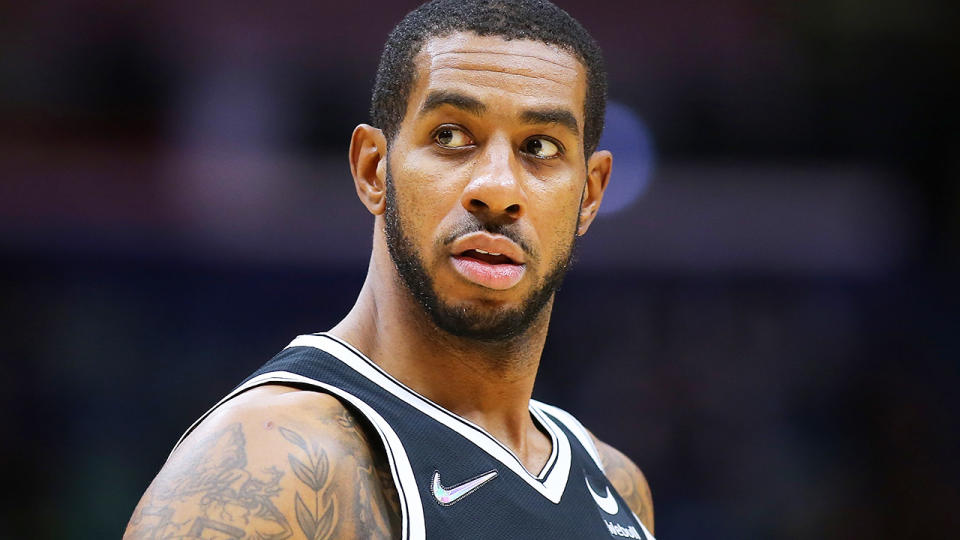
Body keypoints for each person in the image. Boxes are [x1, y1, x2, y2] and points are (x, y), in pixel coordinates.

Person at [124, 1, 654, 538]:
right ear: (373, 168)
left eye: (539, 147)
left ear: (589, 194)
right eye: (451, 136)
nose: (497, 190)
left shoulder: (617, 486)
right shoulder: (270, 463)